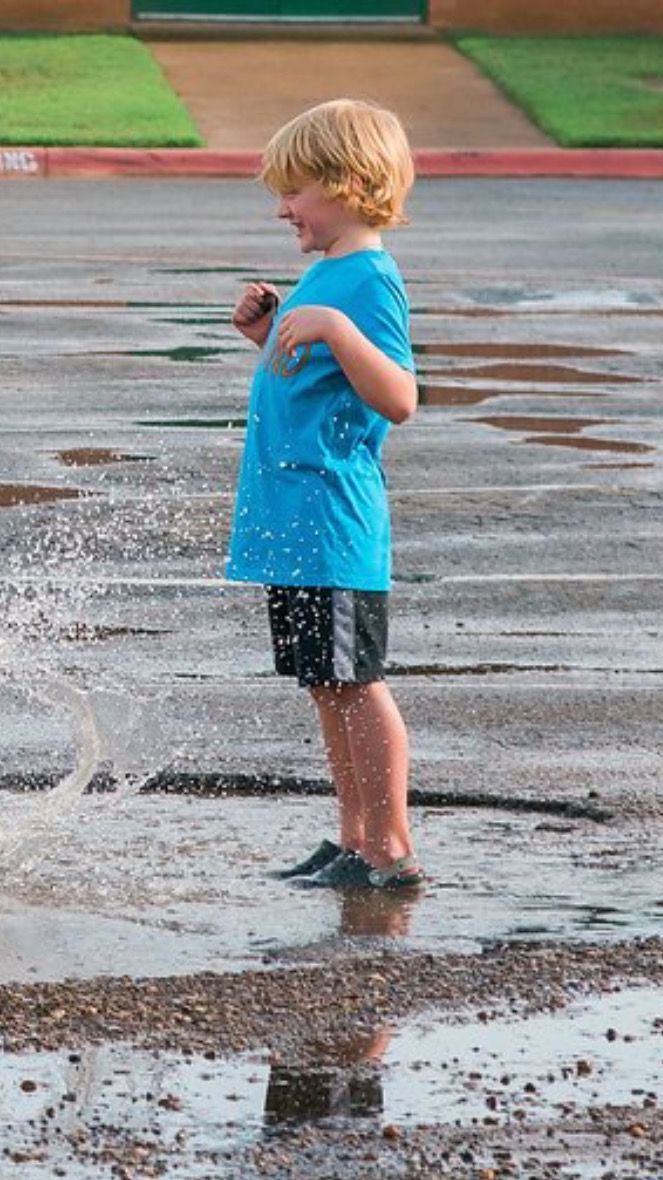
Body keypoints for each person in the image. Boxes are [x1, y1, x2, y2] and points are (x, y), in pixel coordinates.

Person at [225, 100, 425, 892]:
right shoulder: (326, 274)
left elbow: (399, 397)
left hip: (334, 523)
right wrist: (272, 333)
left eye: (294, 191)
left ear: (347, 185)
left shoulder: (369, 279)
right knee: (326, 684)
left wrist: (336, 330)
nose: (283, 209)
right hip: (298, 524)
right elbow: (315, 381)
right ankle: (353, 837)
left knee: (355, 683)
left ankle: (390, 847)